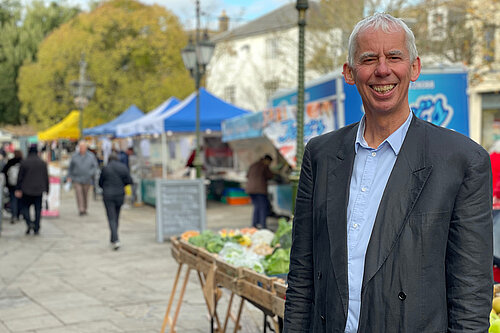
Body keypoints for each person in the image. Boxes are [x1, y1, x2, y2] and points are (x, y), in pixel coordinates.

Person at [284, 13, 492, 332]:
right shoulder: (321, 155)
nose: (383, 70)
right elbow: (302, 275)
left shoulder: (461, 160)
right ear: (350, 72)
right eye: (369, 59)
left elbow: (471, 293)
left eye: (394, 57)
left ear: (414, 68)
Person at [98, 153, 132, 250]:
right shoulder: (123, 167)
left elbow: (100, 183)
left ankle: (115, 239)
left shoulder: (105, 168)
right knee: (116, 217)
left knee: (111, 217)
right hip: (120, 194)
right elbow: (129, 180)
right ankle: (113, 238)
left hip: (108, 195)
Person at [15, 145, 49, 235]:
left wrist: (18, 189)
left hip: (26, 189)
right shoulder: (42, 163)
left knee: (25, 208)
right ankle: (36, 227)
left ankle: (29, 223)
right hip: (39, 190)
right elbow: (46, 177)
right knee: (38, 209)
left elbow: (20, 177)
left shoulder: (24, 162)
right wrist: (47, 189)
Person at [67, 140, 98, 216]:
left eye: (83, 147)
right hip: (77, 178)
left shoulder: (91, 156)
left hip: (87, 179)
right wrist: (69, 176)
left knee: (85, 194)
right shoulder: (74, 156)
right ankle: (81, 209)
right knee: (79, 193)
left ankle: (85, 208)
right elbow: (70, 167)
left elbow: (95, 167)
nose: (82, 148)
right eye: (80, 147)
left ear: (86, 148)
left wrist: (90, 173)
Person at [245, 154, 274, 229]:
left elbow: (247, 175)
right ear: (267, 160)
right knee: (263, 207)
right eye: (269, 162)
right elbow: (270, 176)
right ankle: (263, 225)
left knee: (257, 206)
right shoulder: (264, 166)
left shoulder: (253, 164)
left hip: (250, 189)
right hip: (259, 190)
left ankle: (254, 224)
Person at [2, 150, 23, 223]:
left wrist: (7, 182)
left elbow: (4, 171)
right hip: (21, 185)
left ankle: (14, 215)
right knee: (20, 200)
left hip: (11, 184)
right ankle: (19, 214)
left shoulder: (10, 162)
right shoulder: (23, 161)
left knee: (13, 200)